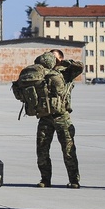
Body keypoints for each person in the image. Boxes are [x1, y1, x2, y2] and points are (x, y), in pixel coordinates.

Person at [36, 49, 83, 188]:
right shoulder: (42, 72)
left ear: (60, 59)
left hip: (62, 116)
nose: (51, 60)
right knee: (42, 150)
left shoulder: (67, 72)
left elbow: (80, 66)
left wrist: (62, 63)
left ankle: (74, 180)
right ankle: (45, 179)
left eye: (54, 58)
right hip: (45, 117)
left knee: (68, 149)